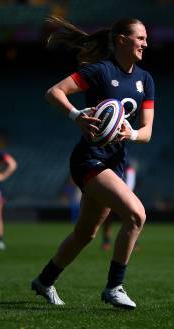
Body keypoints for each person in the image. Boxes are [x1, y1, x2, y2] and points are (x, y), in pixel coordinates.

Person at [31, 16, 154, 310]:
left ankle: (44, 281)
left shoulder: (145, 80)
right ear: (122, 39)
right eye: (140, 38)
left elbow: (147, 132)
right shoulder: (100, 71)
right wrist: (76, 116)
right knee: (137, 215)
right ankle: (114, 287)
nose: (145, 44)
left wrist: (131, 132)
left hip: (115, 163)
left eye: (146, 39)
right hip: (89, 160)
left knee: (85, 234)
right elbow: (54, 92)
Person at [101, 161, 137, 251]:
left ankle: (133, 242)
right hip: (111, 196)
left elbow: (130, 186)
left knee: (130, 220)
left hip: (124, 196)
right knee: (107, 219)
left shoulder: (129, 169)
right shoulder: (110, 166)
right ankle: (106, 241)